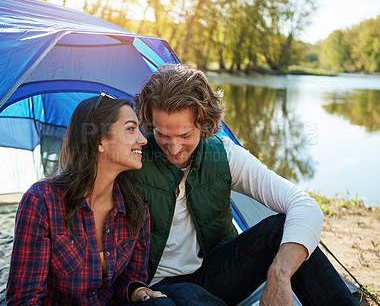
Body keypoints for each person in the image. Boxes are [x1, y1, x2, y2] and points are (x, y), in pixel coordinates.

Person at [129, 64, 359, 306]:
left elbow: (304, 205)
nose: (174, 148)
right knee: (187, 295)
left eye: (185, 135)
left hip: (216, 274)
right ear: (149, 122)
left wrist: (280, 274)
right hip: (158, 287)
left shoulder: (223, 155)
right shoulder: (132, 160)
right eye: (163, 134)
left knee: (282, 231)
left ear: (203, 123)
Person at [6, 95, 173, 306]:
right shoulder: (41, 202)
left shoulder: (135, 209)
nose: (143, 139)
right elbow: (24, 300)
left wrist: (137, 291)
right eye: (131, 129)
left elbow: (129, 281)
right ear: (99, 140)